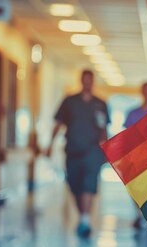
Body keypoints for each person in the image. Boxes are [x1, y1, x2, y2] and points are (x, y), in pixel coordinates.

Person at [46, 70, 110, 238]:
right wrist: (50, 145)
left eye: (90, 79)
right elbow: (58, 124)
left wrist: (107, 150)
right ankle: (83, 215)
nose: (87, 82)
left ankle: (85, 220)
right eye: (85, 79)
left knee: (89, 183)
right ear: (81, 80)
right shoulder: (69, 101)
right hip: (72, 150)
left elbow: (103, 130)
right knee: (74, 185)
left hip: (92, 151)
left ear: (93, 81)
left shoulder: (100, 104)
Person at [123, 82, 147, 229]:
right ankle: (138, 213)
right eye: (145, 90)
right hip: (135, 157)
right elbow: (126, 137)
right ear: (142, 92)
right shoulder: (132, 114)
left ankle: (146, 214)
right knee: (136, 187)